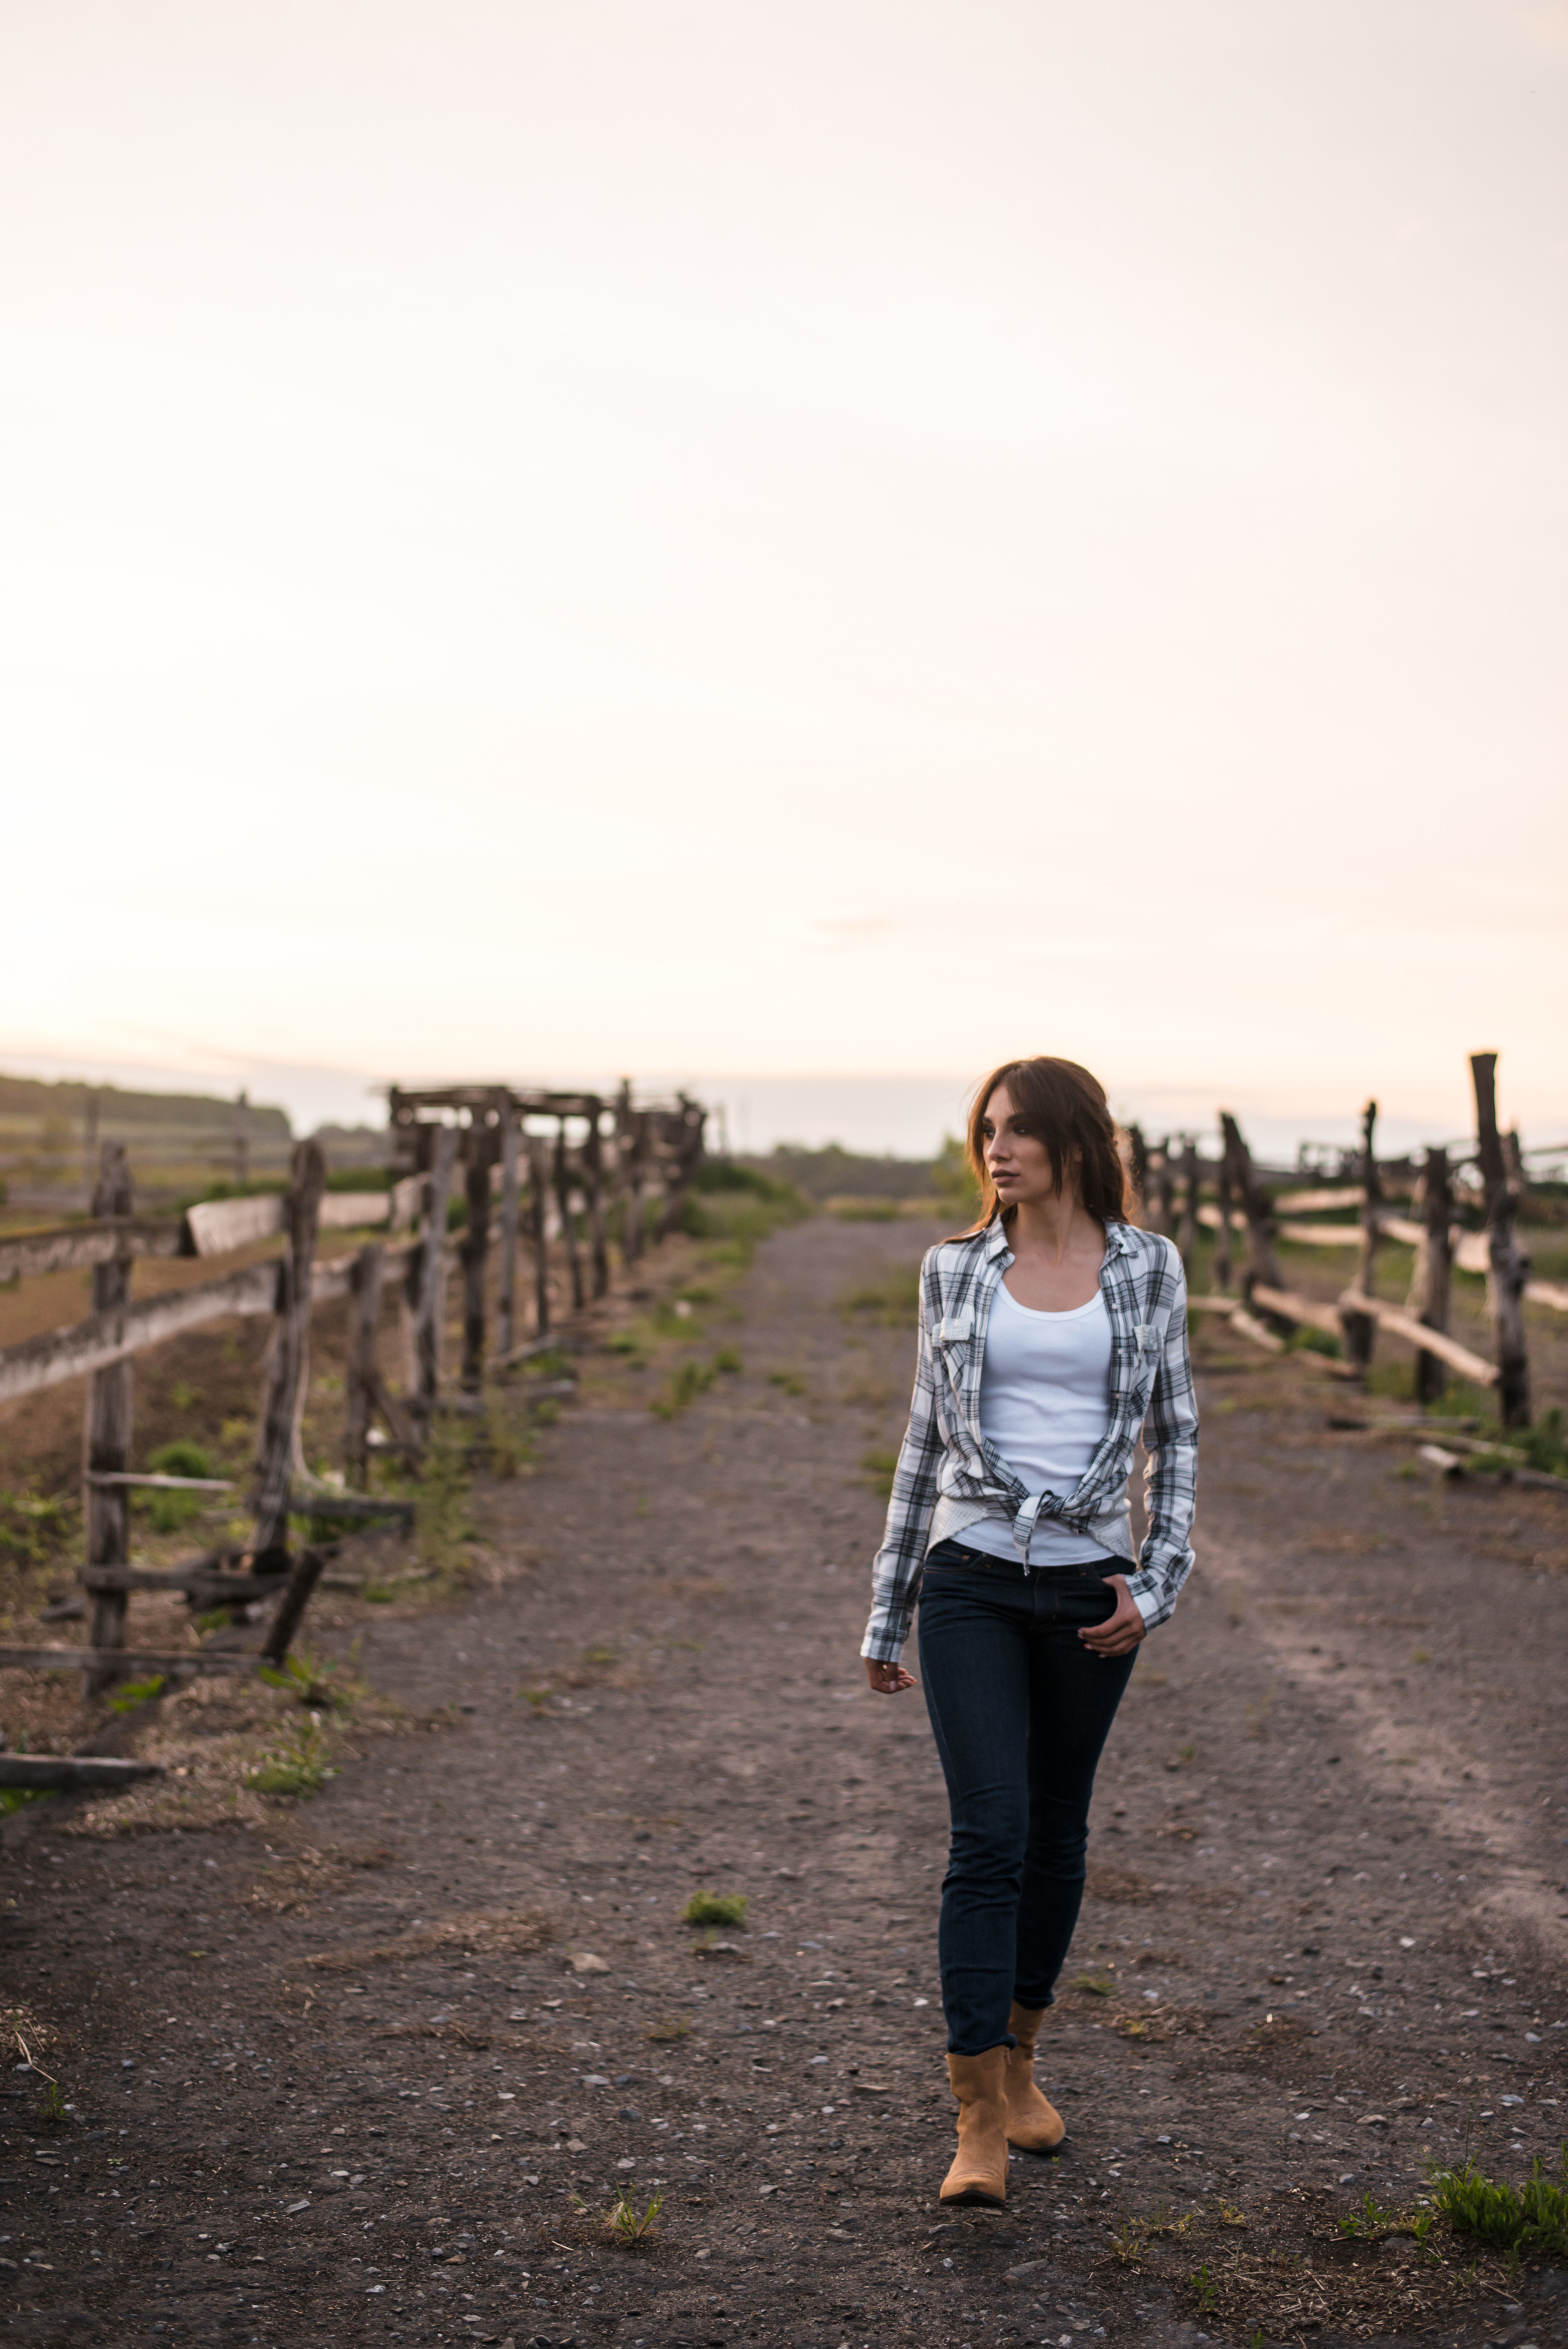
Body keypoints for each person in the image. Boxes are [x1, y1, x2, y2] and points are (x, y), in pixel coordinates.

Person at [860, 1055, 1197, 2208]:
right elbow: (919, 1439)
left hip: (1094, 1586)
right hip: (971, 1577)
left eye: (1018, 1130)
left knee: (1058, 1830)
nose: (996, 1149)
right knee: (990, 1832)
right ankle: (975, 2122)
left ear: (1072, 1139)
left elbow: (1180, 1438)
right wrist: (887, 1600)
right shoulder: (954, 1269)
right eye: (986, 1131)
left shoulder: (1149, 1267)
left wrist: (1157, 1583)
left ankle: (1022, 2064)